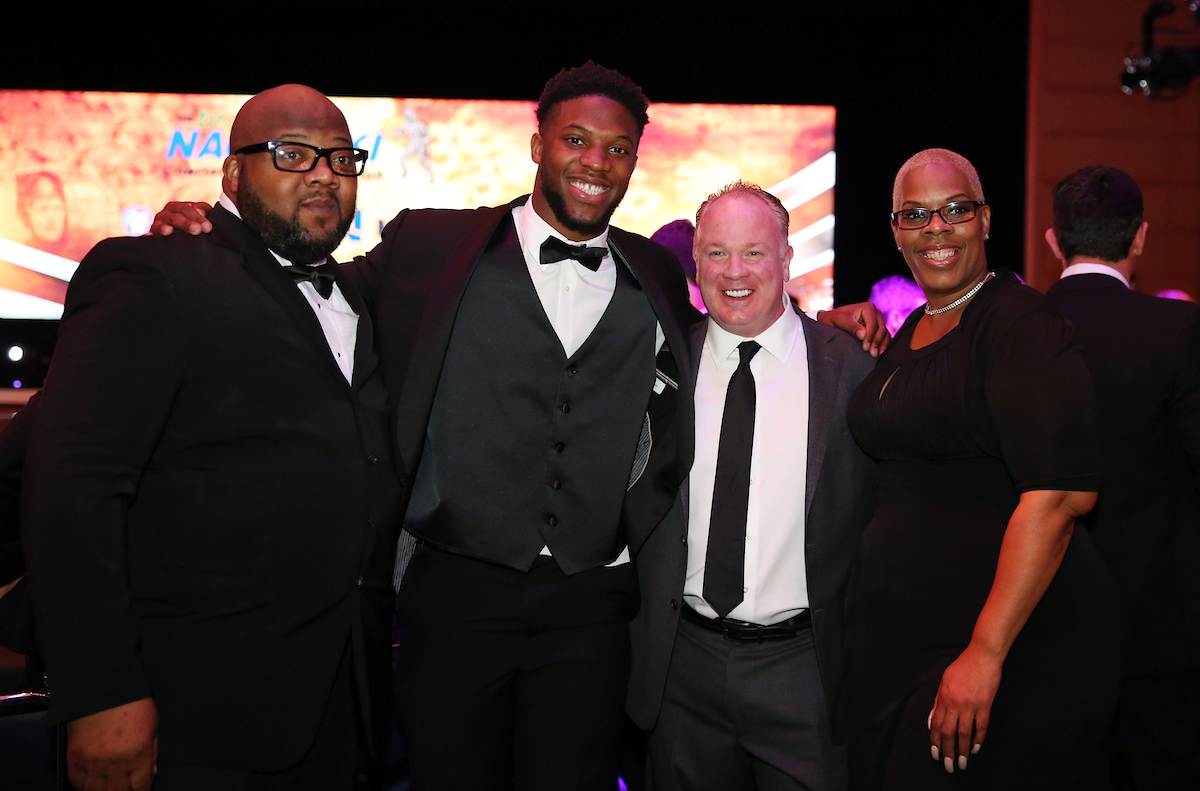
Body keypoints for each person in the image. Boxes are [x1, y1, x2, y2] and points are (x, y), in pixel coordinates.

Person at [150, 64, 889, 791]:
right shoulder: (432, 246)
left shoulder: (655, 275)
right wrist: (220, 238)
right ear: (538, 144)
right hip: (454, 600)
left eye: (618, 147)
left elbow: (734, 324)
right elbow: (319, 293)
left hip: (592, 611)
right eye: (577, 138)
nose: (596, 161)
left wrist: (824, 323)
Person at [21, 84, 402, 791]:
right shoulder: (155, 273)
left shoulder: (359, 296)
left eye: (342, 158)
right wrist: (99, 690)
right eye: (292, 153)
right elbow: (73, 488)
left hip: (342, 714)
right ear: (231, 175)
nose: (324, 173)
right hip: (193, 722)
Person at [844, 148, 1121, 789]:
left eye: (954, 210)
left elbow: (1059, 497)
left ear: (986, 219)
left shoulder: (1021, 322)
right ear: (894, 229)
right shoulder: (917, 323)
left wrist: (985, 653)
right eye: (915, 215)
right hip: (906, 645)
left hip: (1000, 647)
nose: (935, 228)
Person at [627, 181, 875, 790]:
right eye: (716, 253)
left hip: (805, 672)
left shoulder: (851, 371)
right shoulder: (660, 367)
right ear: (696, 262)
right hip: (681, 668)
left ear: (787, 257)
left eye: (755, 253)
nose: (734, 272)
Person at [1044, 165, 1200, 789]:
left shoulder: (1013, 328)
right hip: (1159, 633)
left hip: (1039, 626)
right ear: (1139, 237)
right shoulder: (1177, 331)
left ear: (1055, 241)